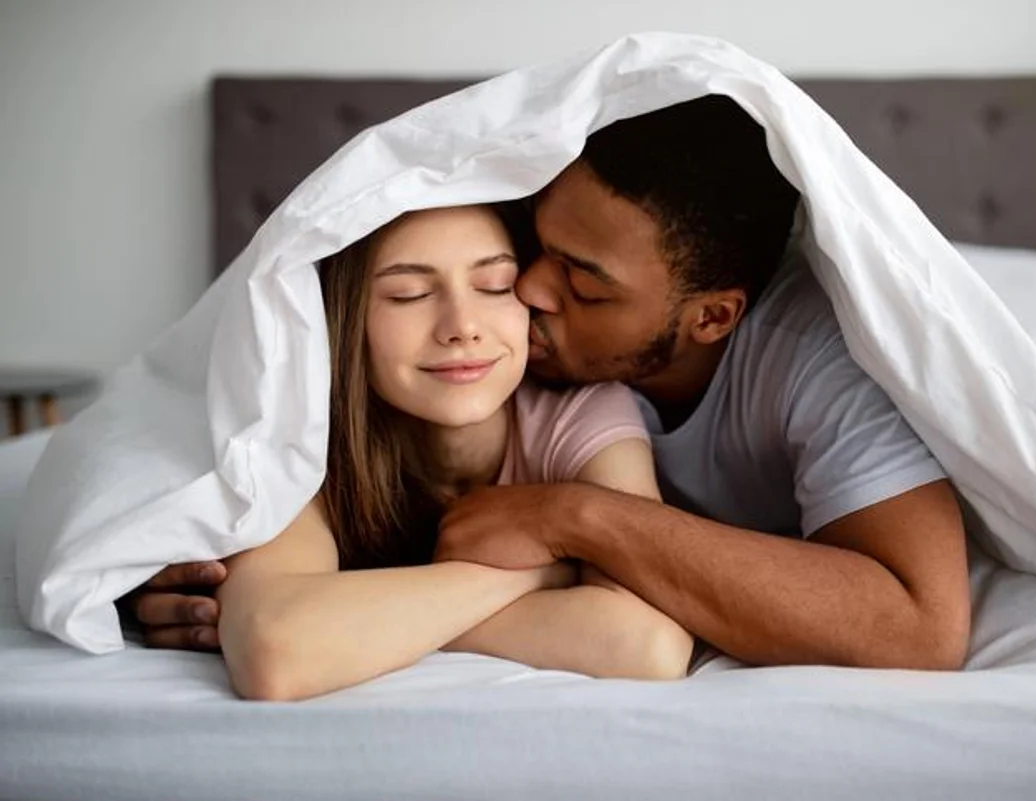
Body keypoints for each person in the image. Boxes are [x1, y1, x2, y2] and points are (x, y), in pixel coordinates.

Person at [132, 95, 971, 671]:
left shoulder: (810, 360)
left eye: (583, 282)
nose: (526, 293)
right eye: (533, 250)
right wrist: (151, 551)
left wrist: (573, 520)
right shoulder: (408, 371)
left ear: (710, 318)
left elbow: (922, 628)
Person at [180, 202, 693, 701]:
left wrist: (366, 625)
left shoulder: (582, 412)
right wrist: (538, 575)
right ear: (343, 318)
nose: (462, 326)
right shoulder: (304, 434)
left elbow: (650, 646)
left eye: (494, 286)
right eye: (410, 294)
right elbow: (276, 652)